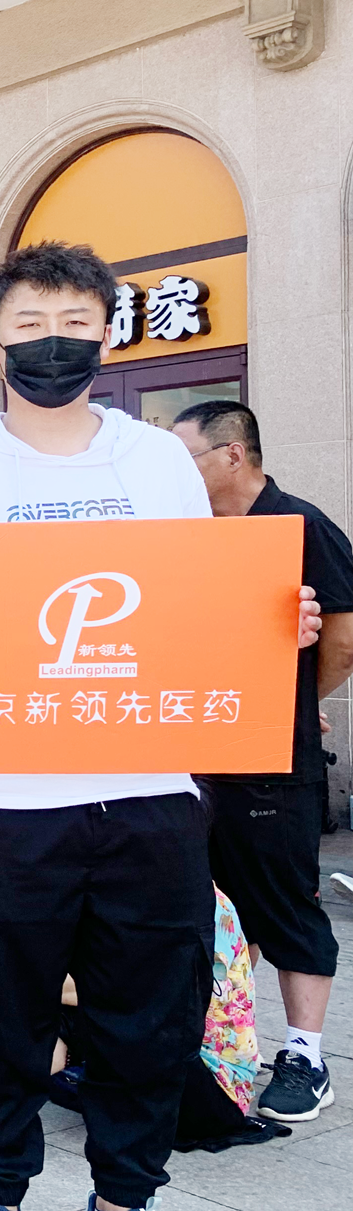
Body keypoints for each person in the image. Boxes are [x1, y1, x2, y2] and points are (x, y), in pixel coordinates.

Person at [0, 243, 321, 1211]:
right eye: (29, 325)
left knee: (145, 1016)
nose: (52, 342)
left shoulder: (155, 462)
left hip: (148, 795)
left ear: (106, 336)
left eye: (74, 321)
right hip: (1, 803)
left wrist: (271, 627)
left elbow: (193, 608)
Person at [173, 399, 353, 1121]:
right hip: (196, 752)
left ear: (232, 454)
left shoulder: (301, 525)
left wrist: (292, 700)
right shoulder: (191, 533)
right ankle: (216, 1044)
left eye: (186, 456)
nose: (178, 471)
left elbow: (342, 639)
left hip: (274, 762)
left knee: (284, 902)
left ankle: (306, 1058)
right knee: (206, 906)